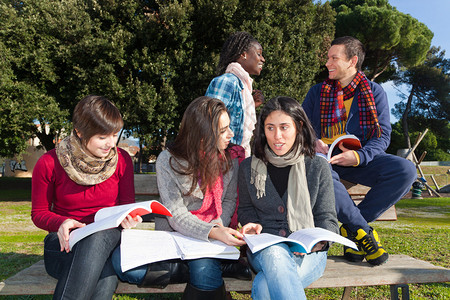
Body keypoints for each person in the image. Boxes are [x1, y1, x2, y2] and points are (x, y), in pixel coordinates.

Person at [113, 96, 247, 299]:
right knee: (124, 266)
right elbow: (175, 214)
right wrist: (212, 232)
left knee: (203, 270)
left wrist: (216, 228)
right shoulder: (168, 161)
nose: (231, 134)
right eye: (223, 130)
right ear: (202, 135)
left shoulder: (228, 161)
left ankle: (206, 266)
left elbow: (227, 201)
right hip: (175, 237)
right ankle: (222, 267)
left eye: (229, 127)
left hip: (210, 237)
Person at [302, 36, 417, 265]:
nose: (327, 63)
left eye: (334, 58)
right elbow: (301, 127)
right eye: (328, 58)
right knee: (321, 168)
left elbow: (382, 136)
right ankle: (362, 232)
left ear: (352, 61)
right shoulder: (317, 93)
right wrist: (313, 140)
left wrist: (358, 156)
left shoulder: (374, 92)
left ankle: (350, 230)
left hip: (358, 160)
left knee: (405, 170)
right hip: (323, 161)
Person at [31, 95, 140, 300]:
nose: (111, 143)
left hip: (107, 238)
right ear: (80, 132)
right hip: (64, 244)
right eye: (102, 136)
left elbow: (126, 206)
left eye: (115, 134)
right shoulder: (49, 163)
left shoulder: (122, 160)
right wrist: (61, 221)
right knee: (105, 278)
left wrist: (129, 217)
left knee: (97, 236)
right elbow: (38, 213)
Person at [238, 96, 338, 300]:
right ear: (262, 130)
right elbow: (246, 210)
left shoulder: (317, 167)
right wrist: (251, 225)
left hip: (309, 255)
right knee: (275, 253)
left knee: (265, 287)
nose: (277, 136)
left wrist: (317, 243)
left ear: (298, 126)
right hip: (263, 251)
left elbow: (327, 218)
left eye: (284, 127)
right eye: (270, 128)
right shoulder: (248, 168)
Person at [205, 31, 265, 157]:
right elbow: (210, 121)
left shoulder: (242, 87)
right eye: (259, 54)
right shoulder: (227, 82)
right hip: (222, 159)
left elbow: (231, 118)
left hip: (236, 158)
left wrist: (251, 106)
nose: (263, 59)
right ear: (244, 54)